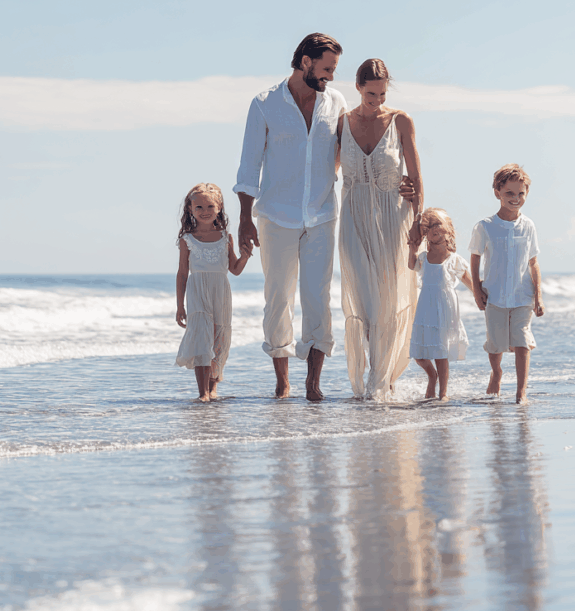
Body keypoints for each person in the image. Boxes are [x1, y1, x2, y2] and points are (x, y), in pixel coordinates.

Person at [234, 33, 345, 401]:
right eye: (327, 68)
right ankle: (283, 382)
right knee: (278, 298)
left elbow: (346, 151)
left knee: (318, 298)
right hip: (275, 216)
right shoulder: (265, 103)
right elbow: (249, 165)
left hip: (322, 215)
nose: (331, 76)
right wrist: (245, 219)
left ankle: (313, 383)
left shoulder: (336, 102)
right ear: (305, 62)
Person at [338, 58, 423, 400]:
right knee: (363, 300)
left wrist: (417, 221)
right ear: (358, 87)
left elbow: (416, 177)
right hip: (353, 218)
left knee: (388, 299)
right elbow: (324, 170)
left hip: (393, 217)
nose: (376, 100)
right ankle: (374, 374)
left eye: (382, 93)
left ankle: (382, 378)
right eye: (370, 93)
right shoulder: (342, 123)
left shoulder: (400, 120)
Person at [469, 163, 545, 404]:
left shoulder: (529, 226)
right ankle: (497, 372)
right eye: (509, 193)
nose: (515, 198)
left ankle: (521, 392)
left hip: (522, 295)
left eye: (520, 193)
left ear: (527, 193)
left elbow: (533, 262)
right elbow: (475, 258)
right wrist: (476, 289)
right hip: (495, 294)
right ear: (497, 193)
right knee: (496, 344)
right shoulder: (485, 226)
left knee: (522, 342)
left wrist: (538, 296)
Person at [175, 183, 252, 402]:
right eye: (199, 207)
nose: (205, 211)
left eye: (210, 206)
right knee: (201, 338)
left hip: (221, 292)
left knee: (220, 339)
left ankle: (213, 388)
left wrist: (245, 257)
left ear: (219, 208)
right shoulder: (187, 239)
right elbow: (182, 273)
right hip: (197, 292)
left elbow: (234, 269)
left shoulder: (225, 237)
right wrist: (180, 306)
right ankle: (203, 393)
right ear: (190, 209)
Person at [408, 208, 474, 401]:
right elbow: (412, 265)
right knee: (419, 355)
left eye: (437, 224)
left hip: (444, 310)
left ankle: (443, 392)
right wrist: (412, 248)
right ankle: (432, 376)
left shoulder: (454, 260)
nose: (433, 229)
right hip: (425, 308)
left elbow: (470, 283)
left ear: (449, 229)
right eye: (428, 227)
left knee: (440, 353)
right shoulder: (423, 257)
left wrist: (482, 297)